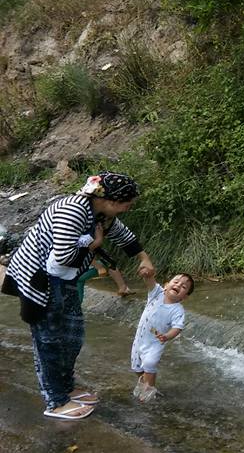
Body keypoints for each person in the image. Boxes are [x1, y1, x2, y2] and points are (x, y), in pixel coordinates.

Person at [0, 171, 155, 420]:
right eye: (128, 202)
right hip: (41, 280)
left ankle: (66, 387)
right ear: (112, 200)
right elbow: (62, 258)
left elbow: (122, 234)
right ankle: (55, 401)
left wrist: (143, 257)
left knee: (72, 336)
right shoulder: (73, 210)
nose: (130, 206)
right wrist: (93, 244)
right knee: (49, 340)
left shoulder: (99, 212)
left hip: (65, 278)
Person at [131, 269, 193, 402]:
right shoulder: (156, 293)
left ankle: (148, 392)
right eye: (176, 282)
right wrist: (147, 274)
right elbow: (150, 282)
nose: (178, 285)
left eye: (183, 287)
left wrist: (167, 336)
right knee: (136, 367)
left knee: (149, 363)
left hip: (156, 342)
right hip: (140, 339)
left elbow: (177, 327)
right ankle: (144, 380)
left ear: (184, 297)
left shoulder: (178, 310)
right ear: (166, 285)